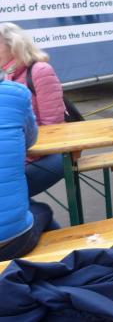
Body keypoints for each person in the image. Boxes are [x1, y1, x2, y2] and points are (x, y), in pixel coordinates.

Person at [0, 22, 64, 198]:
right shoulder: (4, 76)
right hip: (15, 157)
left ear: (14, 46)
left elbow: (54, 128)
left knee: (8, 193)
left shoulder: (39, 71)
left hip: (41, 156)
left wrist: (17, 154)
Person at [0, 69, 59, 260]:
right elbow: (30, 139)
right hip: (12, 242)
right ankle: (63, 262)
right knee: (42, 210)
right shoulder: (15, 93)